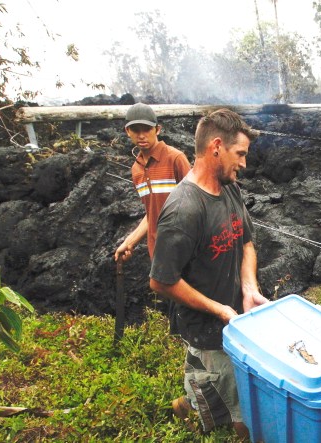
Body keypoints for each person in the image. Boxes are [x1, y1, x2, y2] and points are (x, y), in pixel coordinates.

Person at [149, 109, 269, 439]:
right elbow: (160, 280)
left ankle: (189, 402)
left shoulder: (229, 187)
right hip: (206, 327)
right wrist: (218, 309)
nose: (244, 163)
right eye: (240, 153)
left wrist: (248, 287)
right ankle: (195, 406)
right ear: (216, 146)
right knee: (245, 423)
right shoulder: (184, 209)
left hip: (234, 317)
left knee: (219, 386)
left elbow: (246, 241)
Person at [114, 102, 191, 263]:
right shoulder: (137, 169)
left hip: (185, 249)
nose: (141, 135)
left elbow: (197, 202)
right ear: (128, 131)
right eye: (136, 130)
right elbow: (152, 213)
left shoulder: (175, 158)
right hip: (157, 252)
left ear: (157, 129)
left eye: (147, 129)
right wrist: (129, 242)